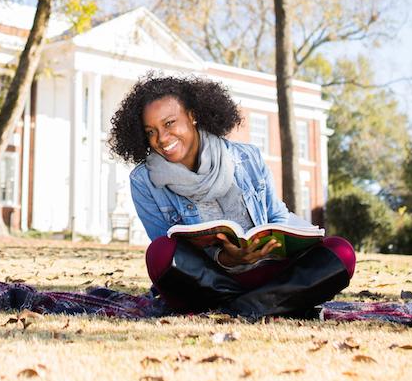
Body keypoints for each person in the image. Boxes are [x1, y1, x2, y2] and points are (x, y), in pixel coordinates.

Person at [108, 73, 356, 318]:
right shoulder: (144, 181)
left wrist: (296, 239)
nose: (161, 138)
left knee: (341, 252)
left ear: (192, 116)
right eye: (151, 131)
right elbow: (171, 249)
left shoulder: (247, 157)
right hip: (208, 282)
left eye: (169, 123)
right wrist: (225, 258)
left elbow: (277, 215)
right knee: (159, 253)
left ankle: (237, 308)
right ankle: (276, 303)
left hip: (268, 271)